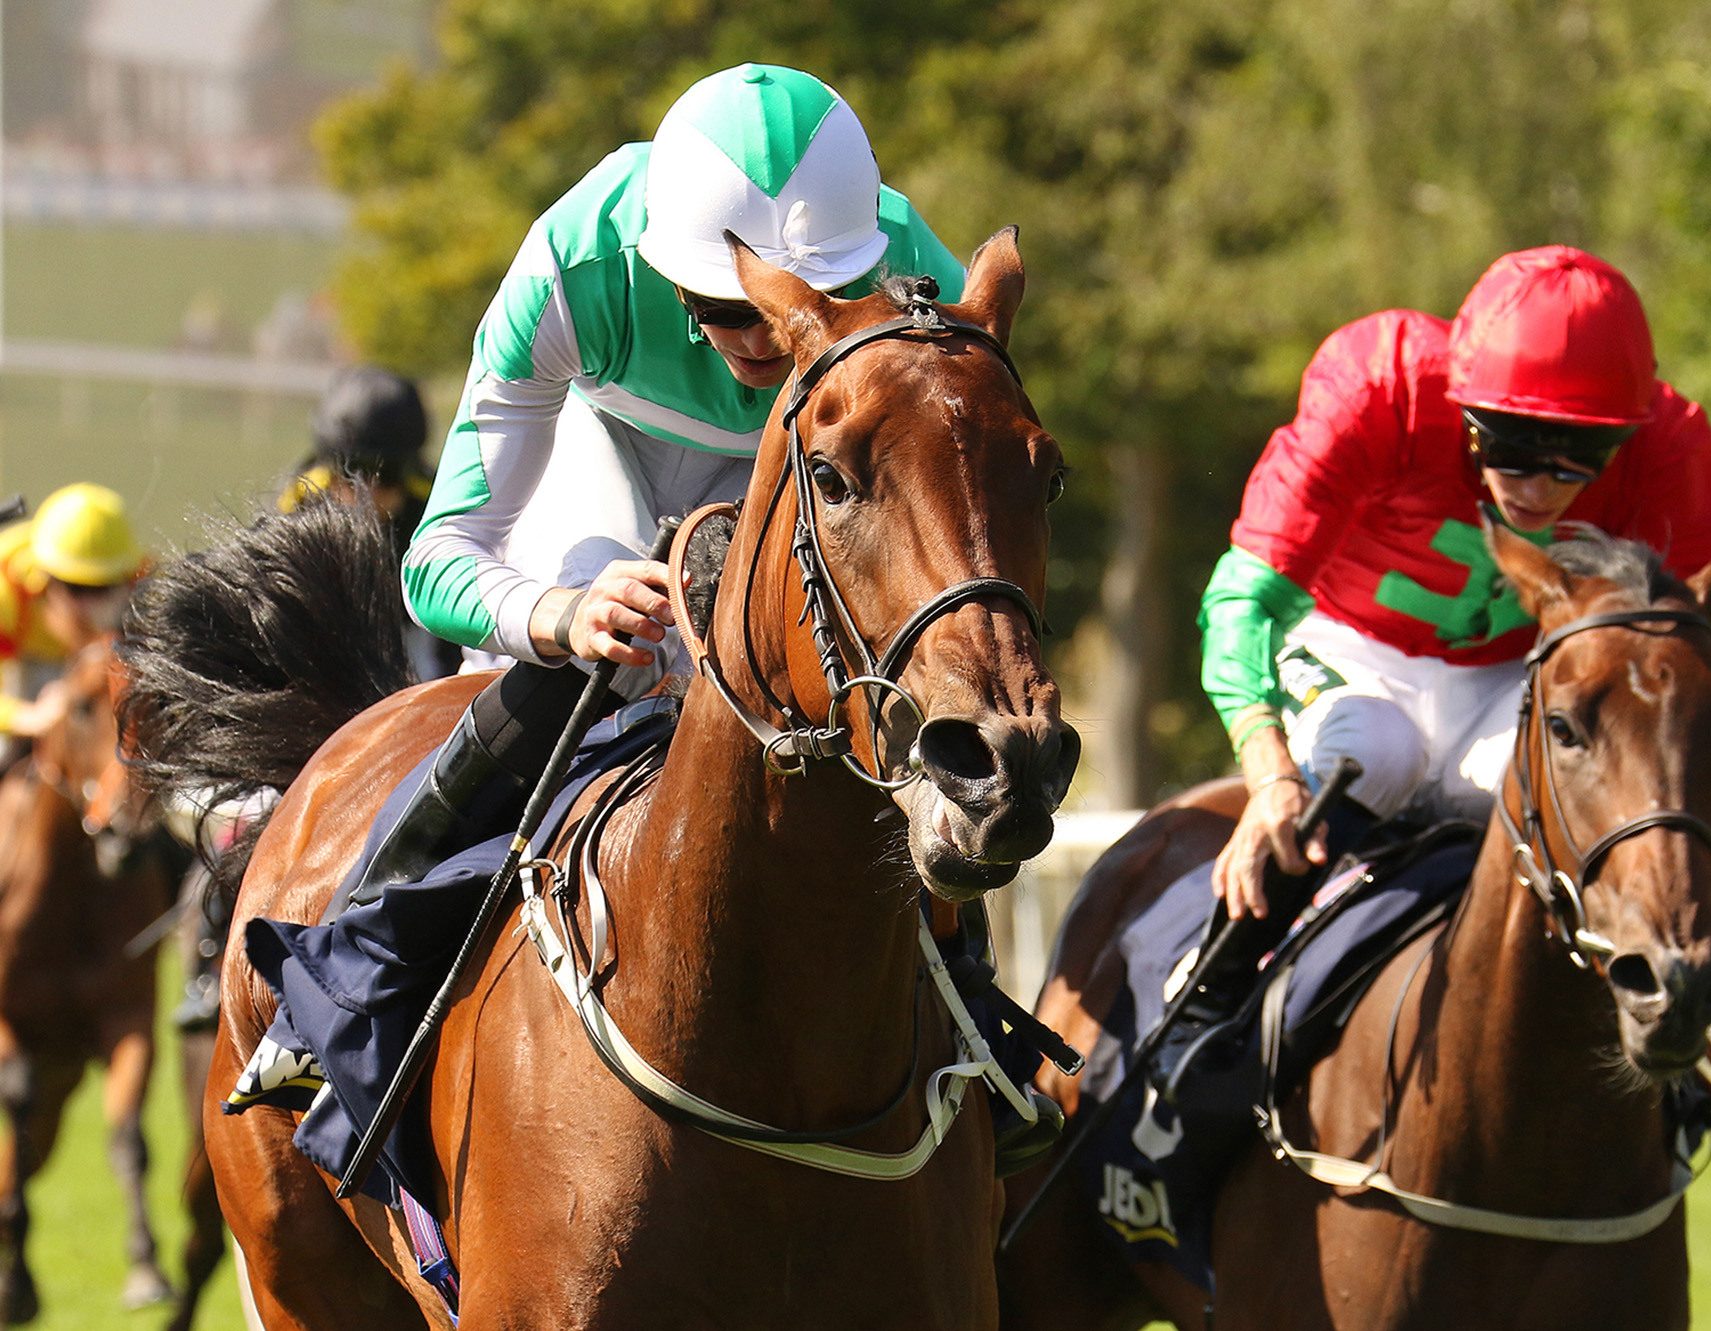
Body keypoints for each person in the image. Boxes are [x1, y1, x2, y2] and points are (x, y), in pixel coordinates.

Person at [231, 63, 981, 1133]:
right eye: (734, 309)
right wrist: (559, 612)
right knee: (610, 658)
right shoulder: (573, 260)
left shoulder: (920, 277)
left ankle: (975, 1011)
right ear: (670, 273)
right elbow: (439, 556)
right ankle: (352, 973)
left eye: (805, 303)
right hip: (603, 455)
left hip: (803, 464)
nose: (766, 338)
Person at [1156, 246, 1711, 1085]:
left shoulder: (1670, 448)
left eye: (1578, 454)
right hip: (1351, 644)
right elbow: (1245, 597)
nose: (1540, 484)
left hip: (1512, 672)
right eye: (1510, 445)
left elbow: (1669, 666)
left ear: (1626, 433)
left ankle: (1649, 1032)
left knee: (1551, 786)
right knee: (1380, 750)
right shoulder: (1379, 388)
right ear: (1462, 405)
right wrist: (1269, 770)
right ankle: (1202, 1011)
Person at [281, 364, 460, 681]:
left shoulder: (438, 507)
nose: (370, 490)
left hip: (410, 634)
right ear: (330, 466)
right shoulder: (299, 502)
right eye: (355, 472)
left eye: (388, 474)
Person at [0, 484, 144, 755]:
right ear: (44, 579)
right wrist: (28, 717)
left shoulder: (144, 581)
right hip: (18, 668)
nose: (88, 607)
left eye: (102, 588)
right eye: (74, 588)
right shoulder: (6, 592)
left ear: (128, 577)